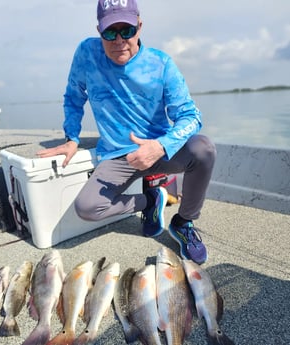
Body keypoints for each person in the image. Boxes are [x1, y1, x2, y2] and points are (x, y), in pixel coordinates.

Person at [37, 0, 216, 265]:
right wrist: (71, 138)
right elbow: (74, 96)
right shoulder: (87, 53)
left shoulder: (161, 64)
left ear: (139, 27)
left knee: (203, 149)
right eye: (110, 32)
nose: (119, 40)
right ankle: (151, 200)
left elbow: (191, 117)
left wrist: (160, 146)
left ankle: (183, 223)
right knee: (87, 208)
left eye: (127, 30)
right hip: (117, 155)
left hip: (159, 150)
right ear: (99, 30)